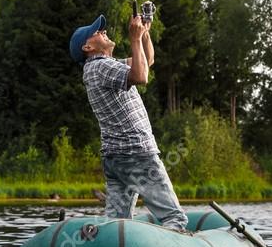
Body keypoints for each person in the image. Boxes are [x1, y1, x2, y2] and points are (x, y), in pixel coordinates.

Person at [68, 14, 188, 232]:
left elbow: (146, 62)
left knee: (117, 225)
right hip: (136, 153)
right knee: (174, 218)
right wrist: (134, 38)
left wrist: (144, 33)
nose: (103, 31)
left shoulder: (102, 67)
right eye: (97, 32)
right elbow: (141, 77)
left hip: (117, 157)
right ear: (87, 47)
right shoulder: (100, 67)